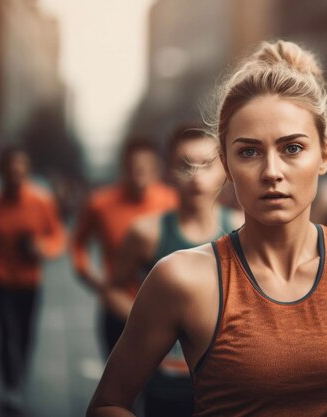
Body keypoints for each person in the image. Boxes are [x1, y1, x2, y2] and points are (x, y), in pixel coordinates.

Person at [87, 40, 327, 417]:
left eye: (292, 148)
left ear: (324, 155)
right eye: (249, 152)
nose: (272, 172)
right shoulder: (181, 279)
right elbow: (109, 403)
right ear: (226, 166)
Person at [103, 126, 243, 417]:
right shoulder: (147, 233)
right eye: (184, 165)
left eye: (206, 164)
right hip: (167, 381)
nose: (196, 176)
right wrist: (152, 327)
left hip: (231, 379)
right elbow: (113, 288)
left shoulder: (245, 230)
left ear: (225, 168)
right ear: (167, 172)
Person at [0, 146, 66, 413]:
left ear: (26, 171)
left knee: (25, 334)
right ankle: (10, 386)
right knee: (5, 331)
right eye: (10, 169)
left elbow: (58, 237)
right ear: (2, 171)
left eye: (20, 169)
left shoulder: (42, 201)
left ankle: (18, 379)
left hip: (29, 280)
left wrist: (43, 248)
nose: (15, 174)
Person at [72, 137, 177, 356]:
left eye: (147, 167)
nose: (140, 174)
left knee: (161, 385)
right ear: (124, 167)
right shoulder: (100, 203)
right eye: (134, 167)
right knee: (119, 383)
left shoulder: (172, 202)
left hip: (162, 310)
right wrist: (92, 278)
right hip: (117, 307)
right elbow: (78, 243)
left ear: (157, 168)